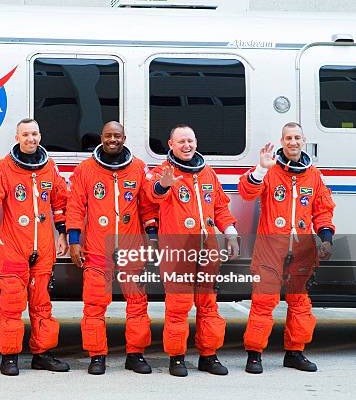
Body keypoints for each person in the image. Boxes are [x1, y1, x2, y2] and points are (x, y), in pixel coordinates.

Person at [238, 122, 335, 374]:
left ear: (304, 141)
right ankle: (255, 354)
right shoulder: (270, 169)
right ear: (282, 141)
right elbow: (247, 192)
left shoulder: (314, 175)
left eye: (297, 138)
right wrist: (260, 169)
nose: (293, 142)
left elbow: (323, 211)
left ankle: (295, 352)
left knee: (300, 302)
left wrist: (326, 239)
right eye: (288, 138)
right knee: (263, 301)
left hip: (302, 248)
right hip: (271, 247)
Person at [0, 118, 69, 376]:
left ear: (40, 136)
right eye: (26, 134)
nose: (31, 139)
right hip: (14, 245)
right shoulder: (4, 168)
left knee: (42, 304)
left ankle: (42, 353)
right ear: (17, 137)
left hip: (43, 245)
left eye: (35, 134)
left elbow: (59, 202)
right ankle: (9, 356)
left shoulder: (49, 167)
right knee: (11, 304)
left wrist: (62, 233)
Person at [67, 121, 157, 375]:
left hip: (131, 248)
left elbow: (147, 207)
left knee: (138, 303)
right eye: (108, 135)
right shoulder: (86, 169)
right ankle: (97, 356)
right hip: (97, 248)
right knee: (94, 305)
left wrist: (152, 237)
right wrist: (74, 241)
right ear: (101, 138)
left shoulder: (138, 167)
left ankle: (135, 354)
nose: (113, 140)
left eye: (117, 135)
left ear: (124, 138)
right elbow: (76, 207)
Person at [151, 124, 239, 377]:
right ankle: (176, 358)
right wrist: (163, 186)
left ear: (196, 142)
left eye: (190, 140)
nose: (186, 146)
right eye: (181, 142)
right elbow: (151, 196)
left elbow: (221, 207)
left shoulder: (207, 173)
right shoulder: (163, 172)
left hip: (207, 249)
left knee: (208, 304)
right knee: (178, 305)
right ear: (171, 145)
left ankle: (208, 356)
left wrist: (230, 234)